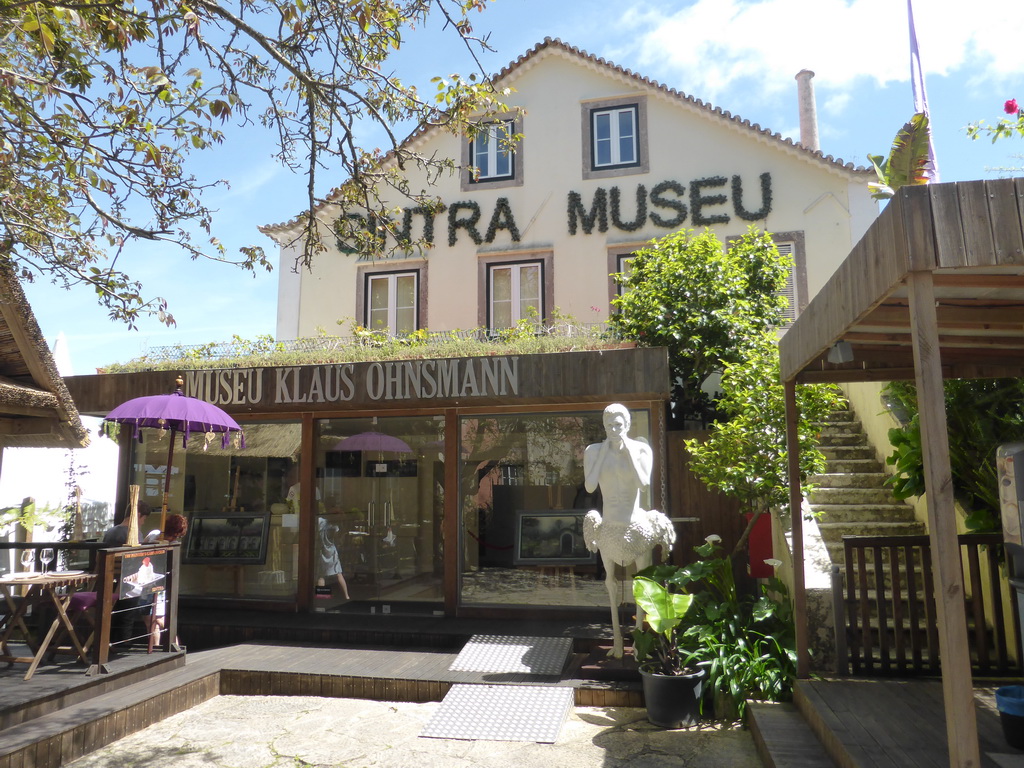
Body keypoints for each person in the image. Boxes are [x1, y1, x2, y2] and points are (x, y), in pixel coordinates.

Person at [583, 403, 676, 659]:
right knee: (610, 583)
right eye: (609, 425)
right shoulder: (593, 451)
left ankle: (638, 643)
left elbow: (644, 484)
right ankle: (615, 639)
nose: (614, 429)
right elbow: (590, 486)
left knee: (641, 583)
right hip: (609, 526)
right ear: (604, 426)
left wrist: (628, 449)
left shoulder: (642, 449)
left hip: (635, 525)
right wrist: (605, 451)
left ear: (627, 424)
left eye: (619, 424)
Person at [145, 514, 187, 653]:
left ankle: (158, 648)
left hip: (146, 584)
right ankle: (173, 646)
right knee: (157, 620)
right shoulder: (172, 545)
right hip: (160, 584)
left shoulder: (153, 535)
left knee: (154, 621)